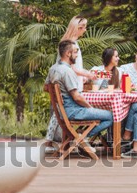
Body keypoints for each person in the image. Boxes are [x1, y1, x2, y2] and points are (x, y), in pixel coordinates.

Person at [45, 40, 113, 152]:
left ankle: (80, 137)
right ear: (68, 53)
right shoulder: (67, 71)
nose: (77, 55)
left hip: (63, 112)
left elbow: (46, 87)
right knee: (112, 116)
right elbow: (76, 97)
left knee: (104, 114)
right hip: (73, 111)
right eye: (75, 52)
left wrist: (59, 96)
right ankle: (82, 137)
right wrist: (89, 107)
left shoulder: (53, 69)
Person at [45, 15, 96, 147]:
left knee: (59, 112)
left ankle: (56, 141)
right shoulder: (70, 44)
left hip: (73, 82)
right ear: (76, 28)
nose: (85, 30)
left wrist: (83, 75)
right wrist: (87, 74)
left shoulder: (71, 41)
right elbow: (69, 66)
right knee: (63, 111)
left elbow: (74, 67)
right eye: (82, 27)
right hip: (69, 85)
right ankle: (78, 140)